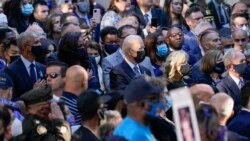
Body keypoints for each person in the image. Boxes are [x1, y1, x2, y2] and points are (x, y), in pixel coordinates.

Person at [3, 32, 46, 100]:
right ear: (25, 47)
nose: (40, 45)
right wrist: (32, 93)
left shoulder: (43, 68)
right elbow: (9, 100)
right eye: (36, 42)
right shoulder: (9, 71)